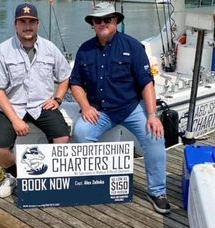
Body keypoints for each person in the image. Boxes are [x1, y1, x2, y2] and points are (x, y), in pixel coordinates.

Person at [69, 2, 170, 214]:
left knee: (155, 137)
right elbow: (75, 83)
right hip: (100, 111)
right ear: (93, 24)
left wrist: (152, 115)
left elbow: (146, 82)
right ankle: (96, 183)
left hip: (130, 108)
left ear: (116, 21)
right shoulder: (84, 50)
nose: (103, 23)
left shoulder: (133, 46)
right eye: (98, 20)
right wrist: (85, 106)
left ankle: (157, 191)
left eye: (108, 19)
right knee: (81, 133)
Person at [0, 3, 71, 198]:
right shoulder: (2, 51)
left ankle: (48, 175)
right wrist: (15, 120)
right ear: (15, 24)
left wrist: (57, 99)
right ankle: (14, 175)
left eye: (31, 22)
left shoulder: (50, 48)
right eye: (22, 21)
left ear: (38, 24)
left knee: (62, 138)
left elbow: (65, 76)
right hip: (12, 107)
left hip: (42, 105)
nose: (27, 26)